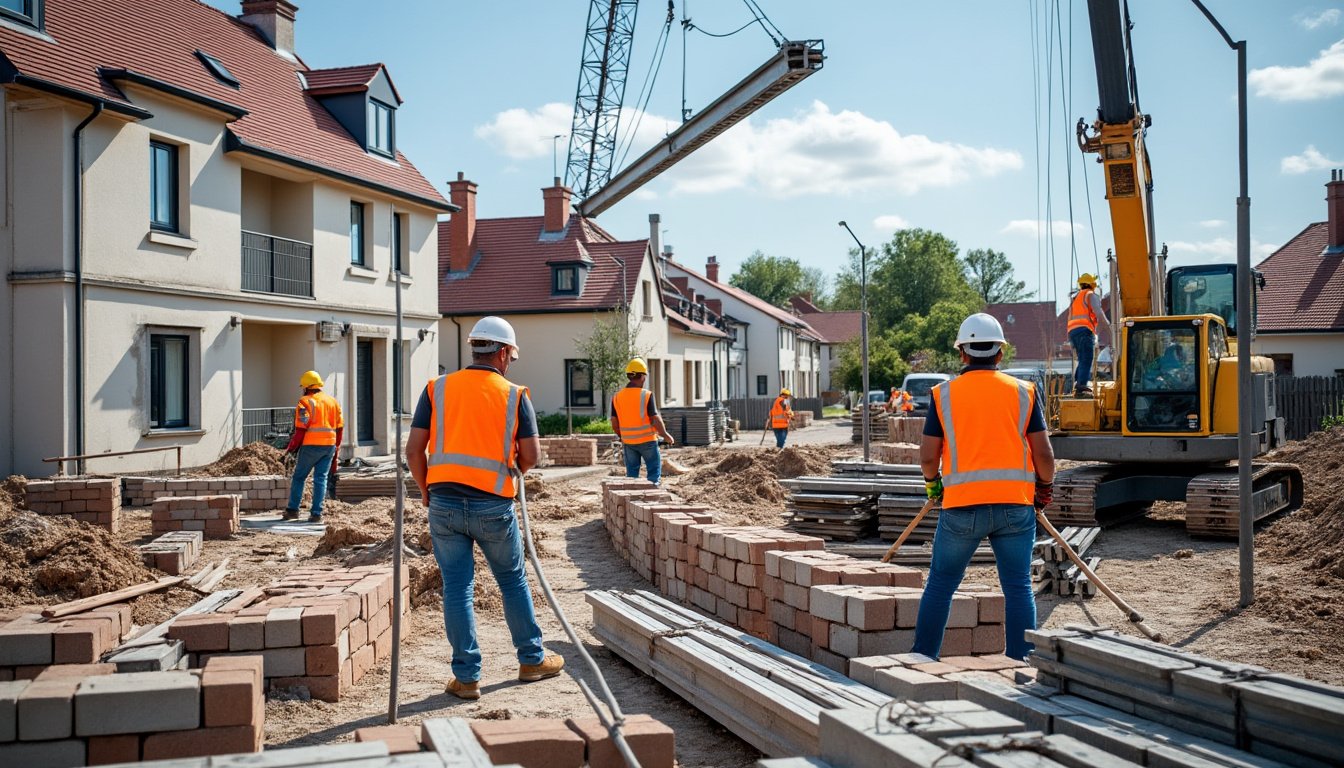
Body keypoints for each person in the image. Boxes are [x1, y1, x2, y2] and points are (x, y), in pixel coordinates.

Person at [405, 316, 564, 700]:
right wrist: (515, 471)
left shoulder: (436, 388)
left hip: (442, 504)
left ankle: (467, 677)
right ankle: (531, 659)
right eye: (511, 355)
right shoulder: (514, 394)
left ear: (475, 347)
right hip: (493, 505)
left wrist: (427, 492)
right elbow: (532, 455)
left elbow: (413, 451)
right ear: (504, 352)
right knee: (512, 581)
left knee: (457, 588)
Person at [912, 313, 1056, 661]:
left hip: (961, 508)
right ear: (1000, 353)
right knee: (1019, 588)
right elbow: (1044, 454)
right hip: (1014, 508)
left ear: (962, 353)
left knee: (941, 585)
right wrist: (1045, 489)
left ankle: (920, 660)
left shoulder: (943, 395)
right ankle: (1021, 661)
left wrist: (933, 487)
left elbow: (929, 457)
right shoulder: (1024, 393)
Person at [283, 370, 343, 523]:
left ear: (306, 387)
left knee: (299, 477)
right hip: (329, 445)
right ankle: (316, 513)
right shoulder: (333, 402)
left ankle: (292, 510)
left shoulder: (304, 402)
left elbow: (302, 428)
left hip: (311, 446)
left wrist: (291, 448)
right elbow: (340, 427)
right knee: (320, 479)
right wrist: (336, 448)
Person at [610, 358, 675, 484]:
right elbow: (655, 418)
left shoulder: (617, 397)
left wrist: (621, 435)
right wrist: (665, 435)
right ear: (643, 377)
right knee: (653, 473)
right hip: (647, 441)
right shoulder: (646, 395)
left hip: (628, 442)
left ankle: (632, 498)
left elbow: (614, 421)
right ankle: (653, 496)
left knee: (632, 475)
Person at [1066, 273, 1110, 397]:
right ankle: (1081, 386)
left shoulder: (1075, 298)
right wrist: (1109, 329)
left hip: (1073, 332)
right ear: (1092, 284)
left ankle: (1077, 382)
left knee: (1082, 359)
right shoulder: (1090, 295)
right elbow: (1099, 313)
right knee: (1086, 359)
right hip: (1084, 331)